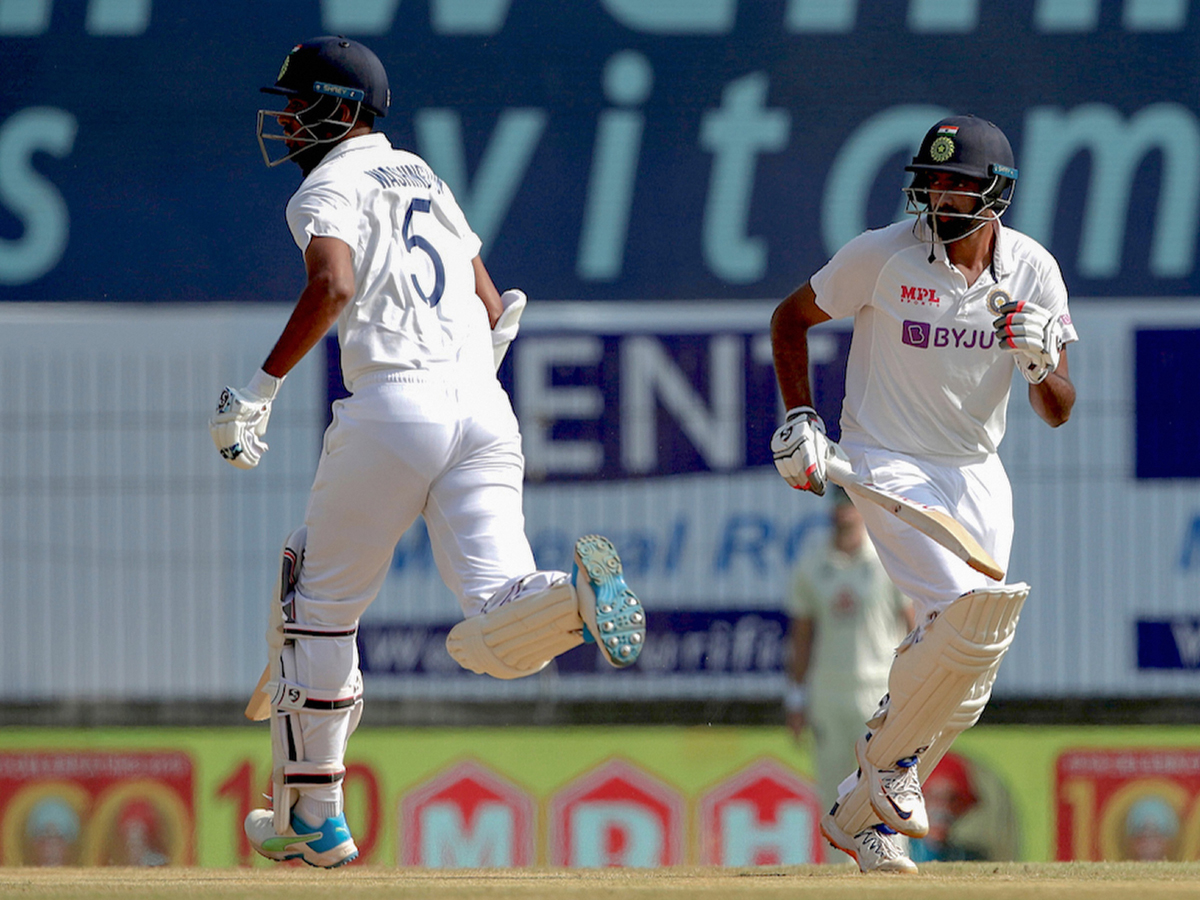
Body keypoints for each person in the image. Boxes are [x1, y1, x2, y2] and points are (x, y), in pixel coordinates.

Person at [209, 36, 646, 868]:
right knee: (493, 619)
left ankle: (314, 816)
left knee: (318, 605)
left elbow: (332, 284)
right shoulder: (421, 173)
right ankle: (572, 598)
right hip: (483, 403)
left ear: (340, 111)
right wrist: (468, 372)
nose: (288, 122)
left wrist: (261, 387)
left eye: (300, 107)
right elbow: (488, 298)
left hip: (393, 406)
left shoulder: (327, 187)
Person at [770, 114, 1076, 873]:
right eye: (932, 181)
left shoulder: (1032, 270)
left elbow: (1061, 407)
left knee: (976, 661)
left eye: (957, 184)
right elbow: (790, 318)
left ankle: (855, 815)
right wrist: (802, 415)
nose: (939, 196)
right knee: (959, 615)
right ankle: (891, 762)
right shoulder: (883, 255)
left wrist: (1039, 364)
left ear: (996, 196)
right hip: (884, 456)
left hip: (977, 469)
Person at [784, 486, 914, 811]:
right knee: (833, 788)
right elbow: (802, 637)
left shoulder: (887, 560)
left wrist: (915, 691)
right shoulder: (812, 565)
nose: (844, 512)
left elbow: (913, 630)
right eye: (839, 505)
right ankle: (837, 862)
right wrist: (796, 698)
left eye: (851, 505)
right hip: (828, 691)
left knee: (882, 783)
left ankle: (891, 858)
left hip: (878, 690)